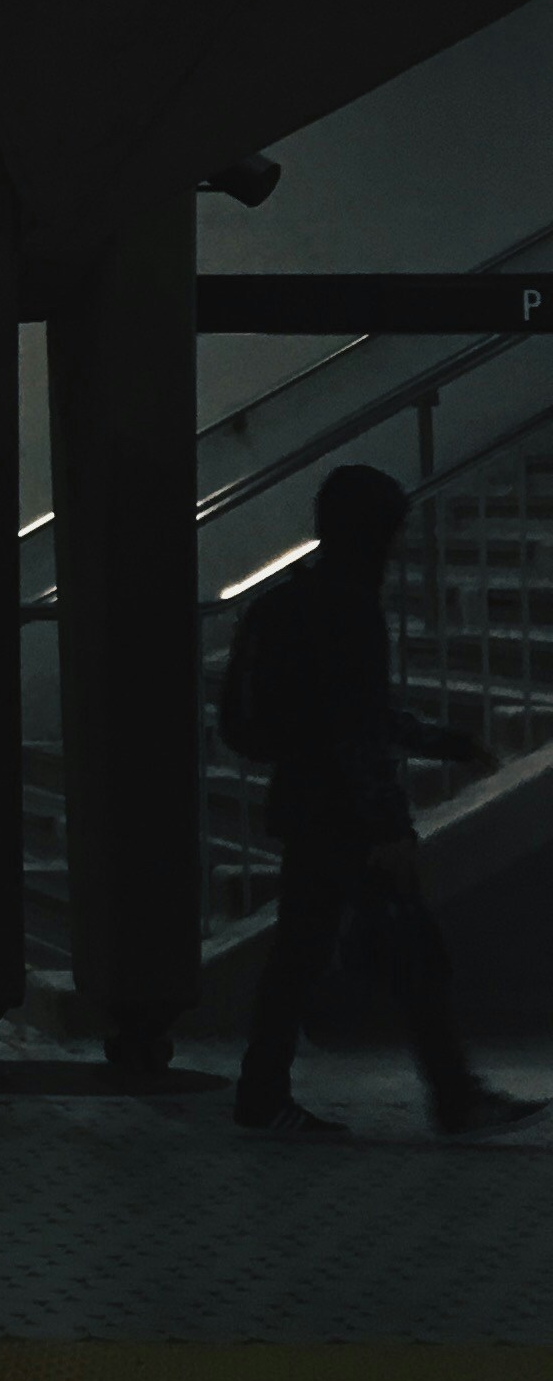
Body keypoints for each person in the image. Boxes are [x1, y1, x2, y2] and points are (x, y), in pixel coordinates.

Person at [224, 464, 537, 1141]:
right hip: (345, 813)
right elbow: (359, 726)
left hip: (308, 801)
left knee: (325, 954)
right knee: (379, 953)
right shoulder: (349, 609)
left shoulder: (297, 597)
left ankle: (278, 1091)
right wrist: (389, 825)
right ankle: (448, 1097)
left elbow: (343, 716)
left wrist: (448, 743)